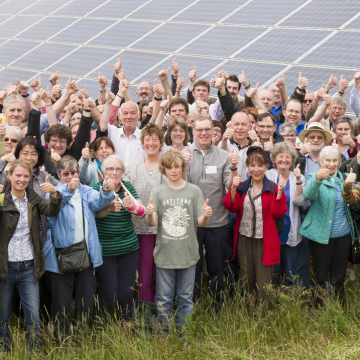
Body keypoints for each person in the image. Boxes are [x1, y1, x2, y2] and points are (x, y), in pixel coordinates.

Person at [44, 156, 114, 335]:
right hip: (61, 257)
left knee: (86, 302)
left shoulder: (86, 190)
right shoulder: (53, 192)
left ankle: (82, 335)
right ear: (59, 174)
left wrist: (106, 192)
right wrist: (67, 190)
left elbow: (99, 202)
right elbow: (55, 207)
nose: (70, 176)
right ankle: (62, 339)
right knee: (62, 303)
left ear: (79, 173)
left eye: (74, 172)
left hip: (86, 255)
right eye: (66, 173)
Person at [0, 159, 62, 353]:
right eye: (18, 175)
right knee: (2, 316)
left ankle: (33, 353)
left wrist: (54, 193)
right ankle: (6, 352)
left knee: (33, 316)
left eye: (26, 176)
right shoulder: (2, 200)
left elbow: (52, 209)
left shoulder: (33, 200)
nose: (21, 179)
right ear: (9, 175)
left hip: (28, 266)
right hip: (5, 267)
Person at [146, 149, 212, 329]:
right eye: (169, 167)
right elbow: (152, 222)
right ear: (164, 170)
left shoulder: (194, 191)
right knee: (164, 299)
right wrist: (150, 214)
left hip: (188, 254)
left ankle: (184, 335)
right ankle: (165, 334)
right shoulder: (158, 191)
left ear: (183, 167)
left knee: (185, 298)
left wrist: (205, 215)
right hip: (165, 254)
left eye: (177, 166)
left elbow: (201, 223)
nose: (173, 170)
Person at [223, 147, 287, 303]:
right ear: (248, 167)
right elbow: (232, 207)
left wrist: (279, 193)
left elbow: (278, 212)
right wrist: (232, 189)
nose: (256, 169)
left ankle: (265, 319)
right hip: (244, 240)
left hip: (265, 242)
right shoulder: (243, 187)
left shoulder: (273, 188)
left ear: (266, 167)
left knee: (264, 285)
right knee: (247, 281)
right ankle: (248, 317)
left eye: (260, 165)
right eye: (252, 165)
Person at [187, 115, 236, 303]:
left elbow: (229, 185)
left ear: (214, 131)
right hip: (193, 222)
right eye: (199, 130)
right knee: (194, 266)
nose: (204, 133)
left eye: (208, 129)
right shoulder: (185, 154)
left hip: (217, 221)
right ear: (193, 132)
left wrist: (233, 168)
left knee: (216, 266)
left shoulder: (223, 156)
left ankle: (216, 305)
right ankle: (194, 303)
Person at [91, 155, 145, 320]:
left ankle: (126, 324)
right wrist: (108, 209)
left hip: (128, 249)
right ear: (103, 171)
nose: (114, 172)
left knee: (126, 292)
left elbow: (142, 213)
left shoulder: (127, 187)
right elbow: (94, 213)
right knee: (109, 292)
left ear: (123, 171)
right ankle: (103, 327)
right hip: (105, 250)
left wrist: (133, 206)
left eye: (118, 169)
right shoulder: (95, 187)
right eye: (110, 169)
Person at [300, 147, 356, 301]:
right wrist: (318, 179)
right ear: (321, 162)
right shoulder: (313, 176)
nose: (331, 164)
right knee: (320, 275)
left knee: (339, 275)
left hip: (344, 236)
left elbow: (352, 202)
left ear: (339, 162)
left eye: (335, 160)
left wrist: (350, 186)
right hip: (322, 235)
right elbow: (308, 195)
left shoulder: (345, 178)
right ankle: (317, 307)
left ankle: (338, 307)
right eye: (328, 161)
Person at [123, 124, 168, 303]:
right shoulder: (133, 166)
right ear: (142, 143)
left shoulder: (166, 166)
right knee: (144, 274)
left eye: (155, 139)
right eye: (147, 139)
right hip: (140, 229)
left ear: (161, 143)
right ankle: (146, 312)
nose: (151, 143)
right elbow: (126, 192)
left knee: (164, 272)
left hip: (163, 229)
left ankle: (163, 309)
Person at [267, 142, 307, 285]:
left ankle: (289, 303)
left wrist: (297, 182)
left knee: (290, 273)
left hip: (289, 230)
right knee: (270, 273)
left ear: (293, 160)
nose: (284, 160)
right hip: (270, 231)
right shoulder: (267, 176)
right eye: (280, 156)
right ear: (274, 159)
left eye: (287, 157)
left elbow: (299, 201)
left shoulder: (300, 177)